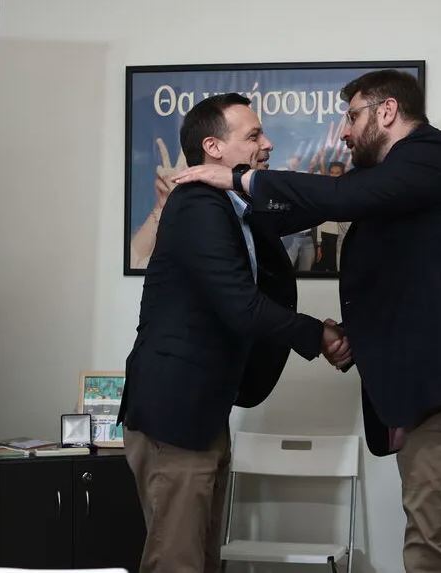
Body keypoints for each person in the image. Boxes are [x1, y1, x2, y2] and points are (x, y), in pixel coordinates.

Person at [173, 70, 441, 573]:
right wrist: (221, 202)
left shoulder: (438, 154)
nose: (344, 133)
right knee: (434, 549)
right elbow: (311, 216)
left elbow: (337, 198)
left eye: (351, 117)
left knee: (435, 558)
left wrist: (239, 179)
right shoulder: (396, 186)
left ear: (386, 111)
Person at [117, 93, 347, 573]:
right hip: (175, 414)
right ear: (213, 147)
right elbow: (240, 305)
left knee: (202, 559)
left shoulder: (235, 203)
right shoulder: (197, 204)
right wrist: (318, 337)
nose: (268, 143)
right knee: (177, 560)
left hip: (202, 411)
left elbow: (307, 200)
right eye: (254, 135)